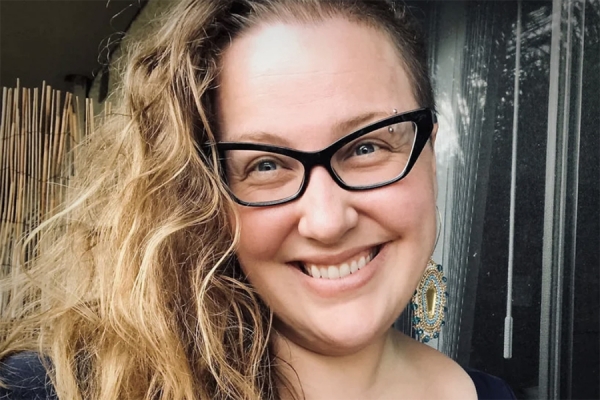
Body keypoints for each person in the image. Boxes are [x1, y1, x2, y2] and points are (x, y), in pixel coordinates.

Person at [0, 0, 516, 399]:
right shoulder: (55, 389)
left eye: (366, 147)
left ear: (430, 155)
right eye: (265, 165)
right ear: (201, 193)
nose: (327, 220)